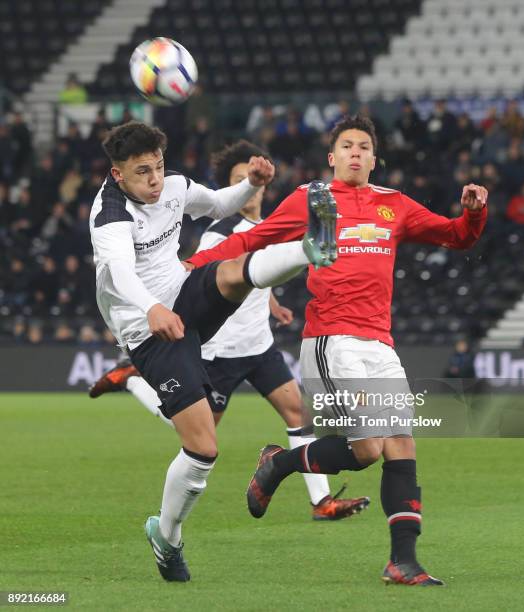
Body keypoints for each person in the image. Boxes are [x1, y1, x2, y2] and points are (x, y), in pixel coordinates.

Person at [186, 114, 488, 586]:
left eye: (363, 146)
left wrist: (471, 212)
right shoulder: (313, 199)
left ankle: (402, 562)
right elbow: (252, 239)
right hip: (332, 339)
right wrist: (194, 263)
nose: (354, 152)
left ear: (373, 158)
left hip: (380, 344)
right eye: (346, 145)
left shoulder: (395, 204)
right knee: (367, 448)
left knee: (400, 442)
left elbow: (457, 236)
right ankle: (280, 463)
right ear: (332, 158)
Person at [89, 121, 337, 583]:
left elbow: (217, 203)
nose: (155, 179)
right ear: (119, 175)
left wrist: (250, 184)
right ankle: (167, 537)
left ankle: (313, 247)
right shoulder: (109, 217)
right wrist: (152, 309)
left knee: (233, 272)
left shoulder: (174, 186)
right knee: (203, 447)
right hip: (148, 331)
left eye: (159, 167)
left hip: (183, 294)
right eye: (143, 172)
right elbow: (122, 275)